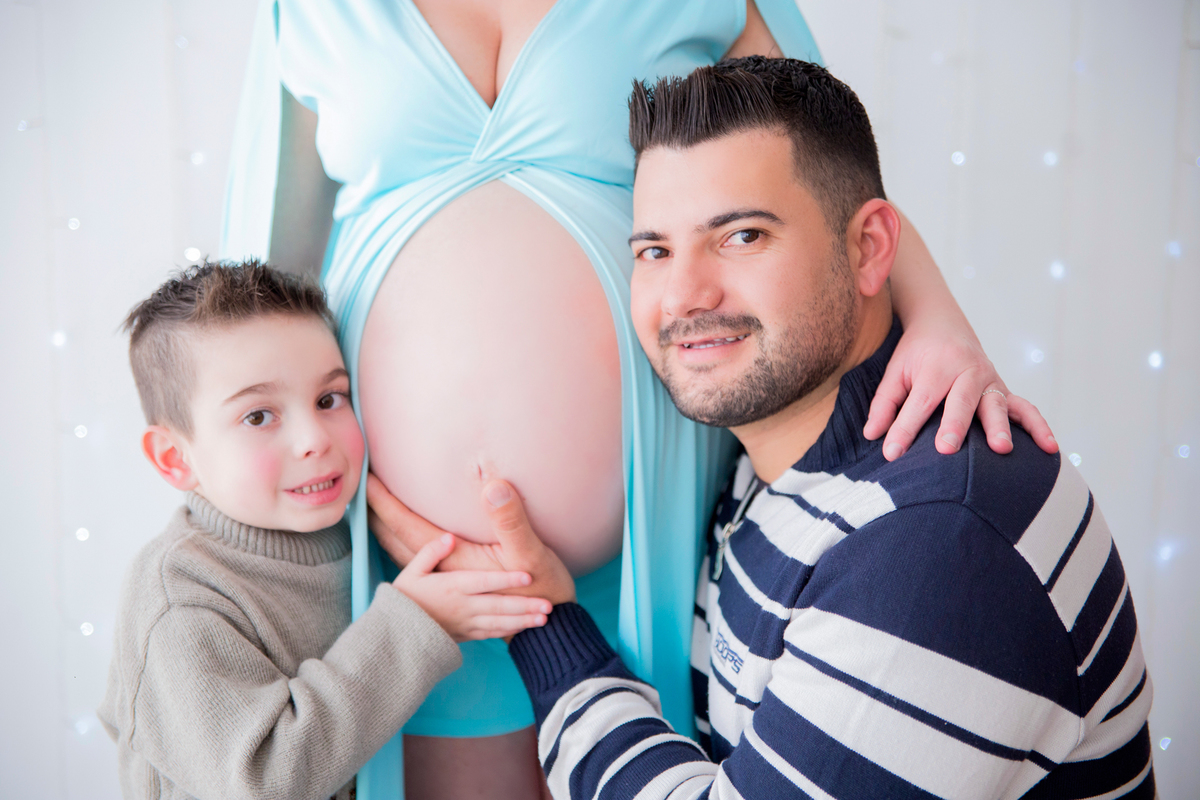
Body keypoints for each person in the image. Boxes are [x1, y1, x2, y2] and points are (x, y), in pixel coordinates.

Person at [220, 2, 1056, 796]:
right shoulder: (307, 10)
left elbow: (822, 173)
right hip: (414, 562)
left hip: (653, 528)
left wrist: (942, 323)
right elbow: (253, 288)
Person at [370, 58, 1155, 799]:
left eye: (742, 236)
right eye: (653, 249)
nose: (682, 295)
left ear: (871, 248)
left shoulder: (940, 541)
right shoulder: (773, 465)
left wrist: (544, 632)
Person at [97, 262, 553, 800]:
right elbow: (261, 782)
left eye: (329, 399)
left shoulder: (345, 526)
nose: (314, 437)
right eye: (259, 417)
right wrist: (416, 624)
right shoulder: (181, 597)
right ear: (175, 458)